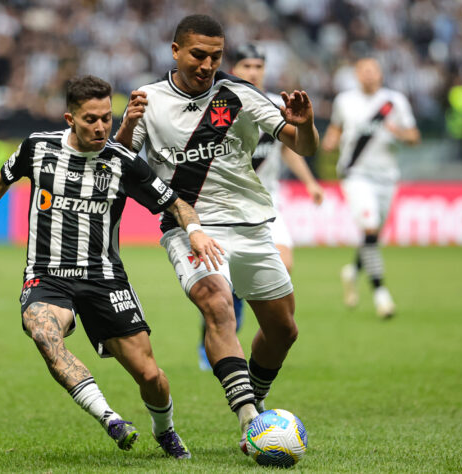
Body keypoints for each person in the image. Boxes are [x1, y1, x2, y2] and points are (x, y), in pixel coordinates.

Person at [0, 75, 224, 458]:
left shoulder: (122, 162)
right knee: (43, 334)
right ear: (70, 118)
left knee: (150, 375)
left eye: (107, 117)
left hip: (105, 279)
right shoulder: (37, 148)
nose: (101, 126)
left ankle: (165, 432)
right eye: (91, 119)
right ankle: (110, 418)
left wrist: (194, 230)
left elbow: (173, 201)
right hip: (48, 276)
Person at [115, 15, 319, 451]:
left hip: (251, 224)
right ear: (175, 51)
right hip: (189, 226)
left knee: (284, 330)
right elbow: (121, 163)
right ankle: (250, 421)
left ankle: (256, 400)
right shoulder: (147, 99)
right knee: (218, 305)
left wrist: (305, 125)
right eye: (197, 55)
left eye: (215, 56)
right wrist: (129, 124)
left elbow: (303, 146)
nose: (207, 65)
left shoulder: (238, 96)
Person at [196, 43, 325, 371]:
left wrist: (309, 182)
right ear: (234, 69)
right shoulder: (217, 108)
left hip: (267, 205)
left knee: (284, 265)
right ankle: (216, 332)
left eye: (258, 67)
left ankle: (246, 326)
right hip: (224, 209)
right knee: (221, 287)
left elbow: (288, 149)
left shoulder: (273, 106)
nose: (253, 72)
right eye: (246, 66)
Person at [322, 58, 420, 318]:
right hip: (355, 174)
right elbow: (335, 126)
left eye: (373, 71)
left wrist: (396, 131)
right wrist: (330, 140)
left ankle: (352, 271)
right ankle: (381, 295)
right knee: (369, 227)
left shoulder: (394, 102)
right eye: (364, 71)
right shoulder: (344, 101)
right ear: (356, 75)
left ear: (380, 74)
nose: (369, 75)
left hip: (386, 177)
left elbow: (414, 137)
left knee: (372, 236)